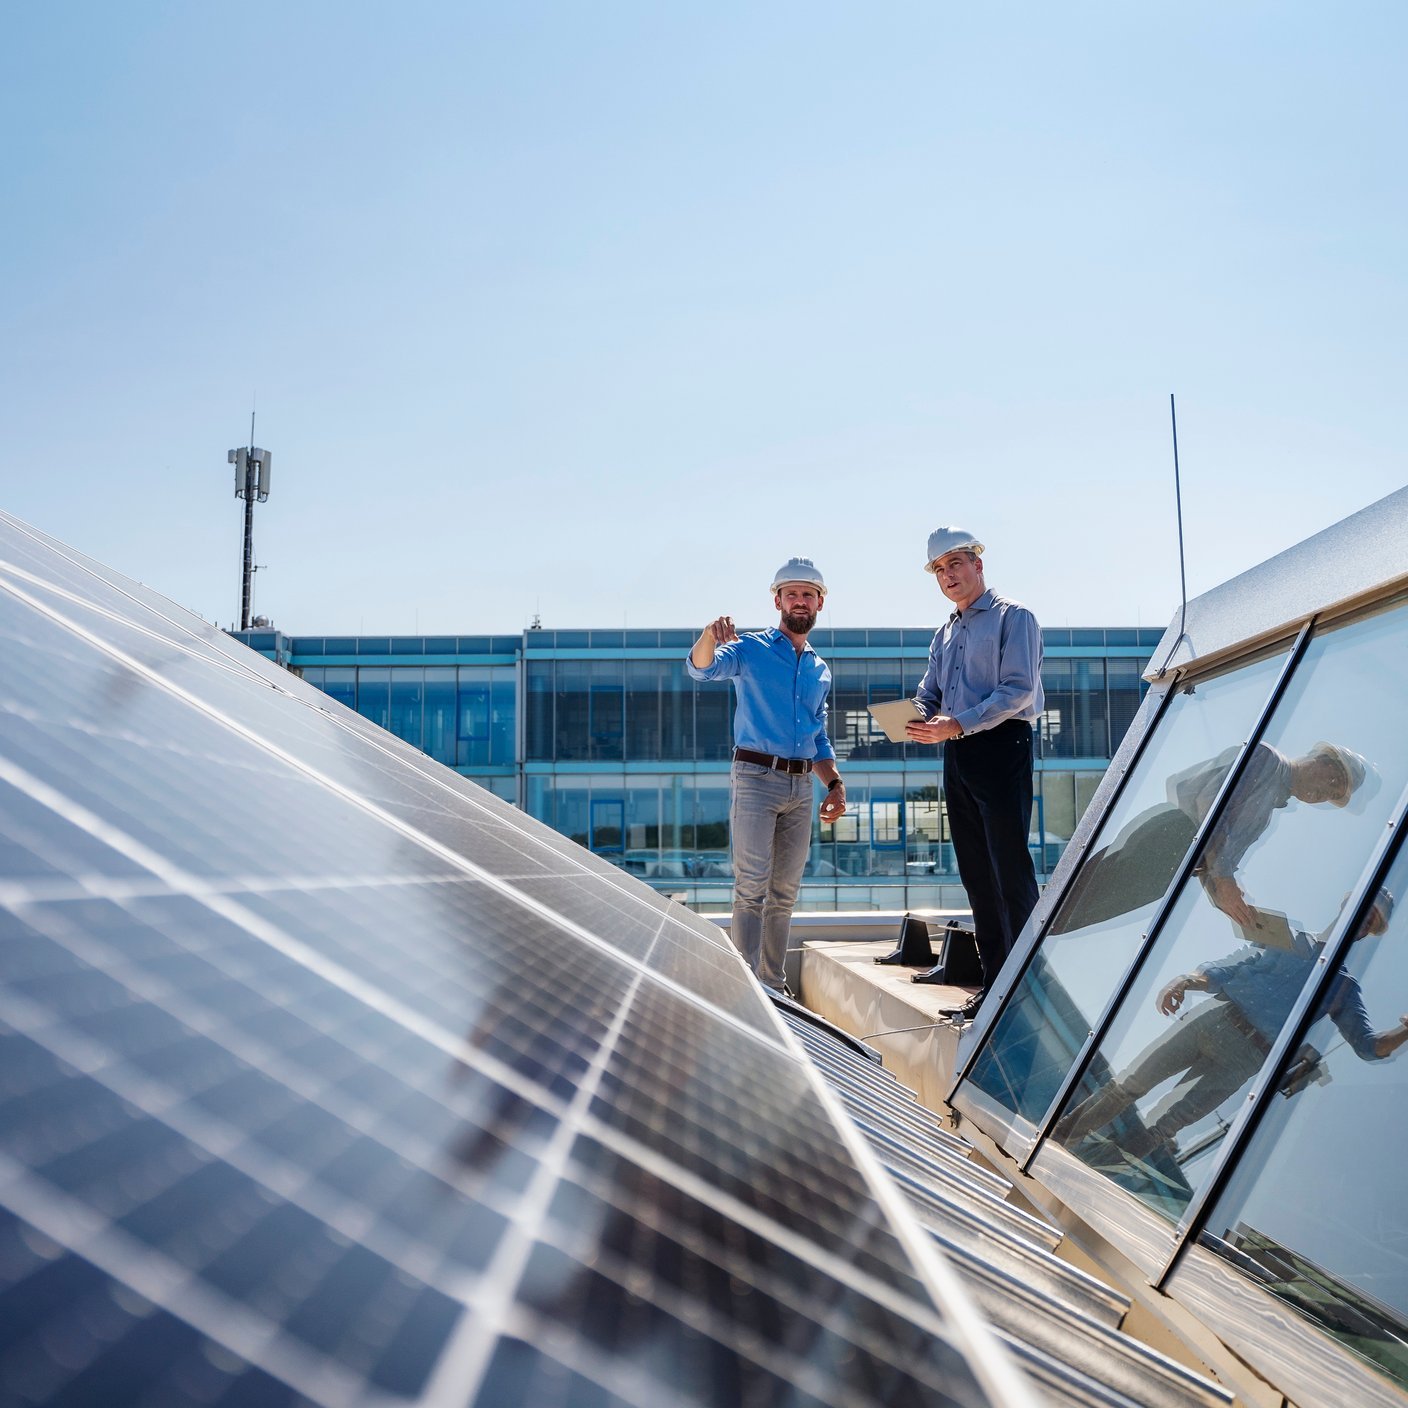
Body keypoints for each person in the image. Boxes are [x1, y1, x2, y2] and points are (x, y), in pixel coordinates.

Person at [1054, 888, 1406, 1162]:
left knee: (1165, 1125)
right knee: (1131, 1082)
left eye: (1371, 921)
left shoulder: (1343, 987)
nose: (1363, 920)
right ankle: (1058, 1141)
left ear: (1369, 933)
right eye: (1363, 909)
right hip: (1214, 1019)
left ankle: (1091, 1170)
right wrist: (1186, 980)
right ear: (1346, 906)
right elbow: (1233, 965)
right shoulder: (1289, 936)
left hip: (1246, 1057)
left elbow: (1369, 1046)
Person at [686, 557, 847, 994]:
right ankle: (744, 989)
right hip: (755, 779)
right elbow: (702, 668)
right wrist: (706, 636)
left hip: (801, 787)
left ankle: (773, 986)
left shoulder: (819, 669)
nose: (800, 601)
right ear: (777, 600)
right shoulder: (751, 649)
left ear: (820, 602)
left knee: (785, 893)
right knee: (751, 887)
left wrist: (833, 783)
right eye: (791, 593)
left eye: (808, 594)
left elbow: (818, 735)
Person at [904, 528, 1044, 1022]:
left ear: (978, 565)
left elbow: (1018, 691)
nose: (948, 575)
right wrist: (914, 714)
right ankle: (995, 986)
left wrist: (957, 722)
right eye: (940, 569)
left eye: (956, 564)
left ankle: (1030, 985)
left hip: (1001, 745)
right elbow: (931, 692)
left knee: (1009, 869)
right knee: (976, 874)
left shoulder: (1014, 617)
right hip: (957, 751)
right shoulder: (944, 633)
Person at [1054, 738, 1370, 935]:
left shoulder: (1269, 806)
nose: (1323, 793)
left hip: (1175, 860)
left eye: (1332, 795)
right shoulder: (1266, 759)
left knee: (1075, 914)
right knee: (1068, 909)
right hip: (1169, 840)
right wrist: (1224, 880)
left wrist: (1229, 902)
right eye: (1332, 780)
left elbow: (1214, 857)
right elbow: (1211, 807)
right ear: (1321, 760)